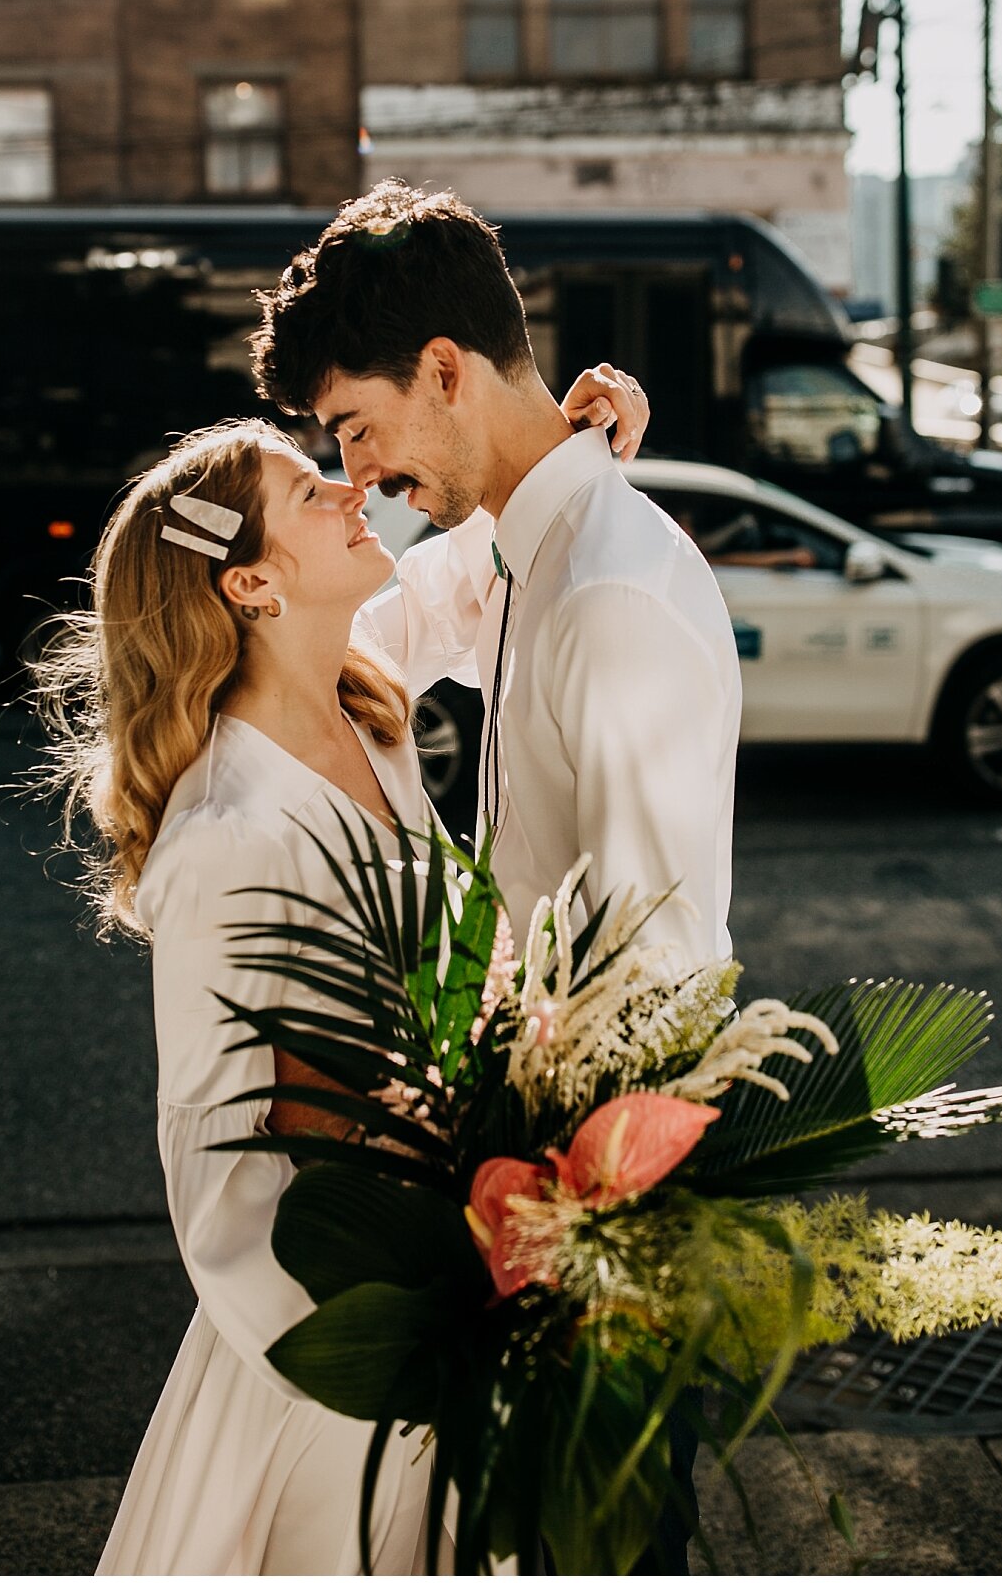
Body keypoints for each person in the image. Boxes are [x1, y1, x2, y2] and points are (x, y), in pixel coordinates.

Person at [34, 375, 646, 1574]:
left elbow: (481, 569)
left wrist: (571, 450)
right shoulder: (229, 835)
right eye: (315, 492)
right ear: (248, 582)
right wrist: (380, 1348)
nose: (353, 485)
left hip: (470, 1267)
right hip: (348, 1349)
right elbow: (213, 1157)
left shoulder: (364, 701)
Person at [251, 179, 744, 1575]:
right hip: (532, 1197)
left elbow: (652, 988)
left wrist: (552, 1271)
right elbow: (375, 647)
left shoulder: (607, 597)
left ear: (449, 370)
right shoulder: (527, 552)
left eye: (357, 428)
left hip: (599, 1236)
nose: (357, 473)